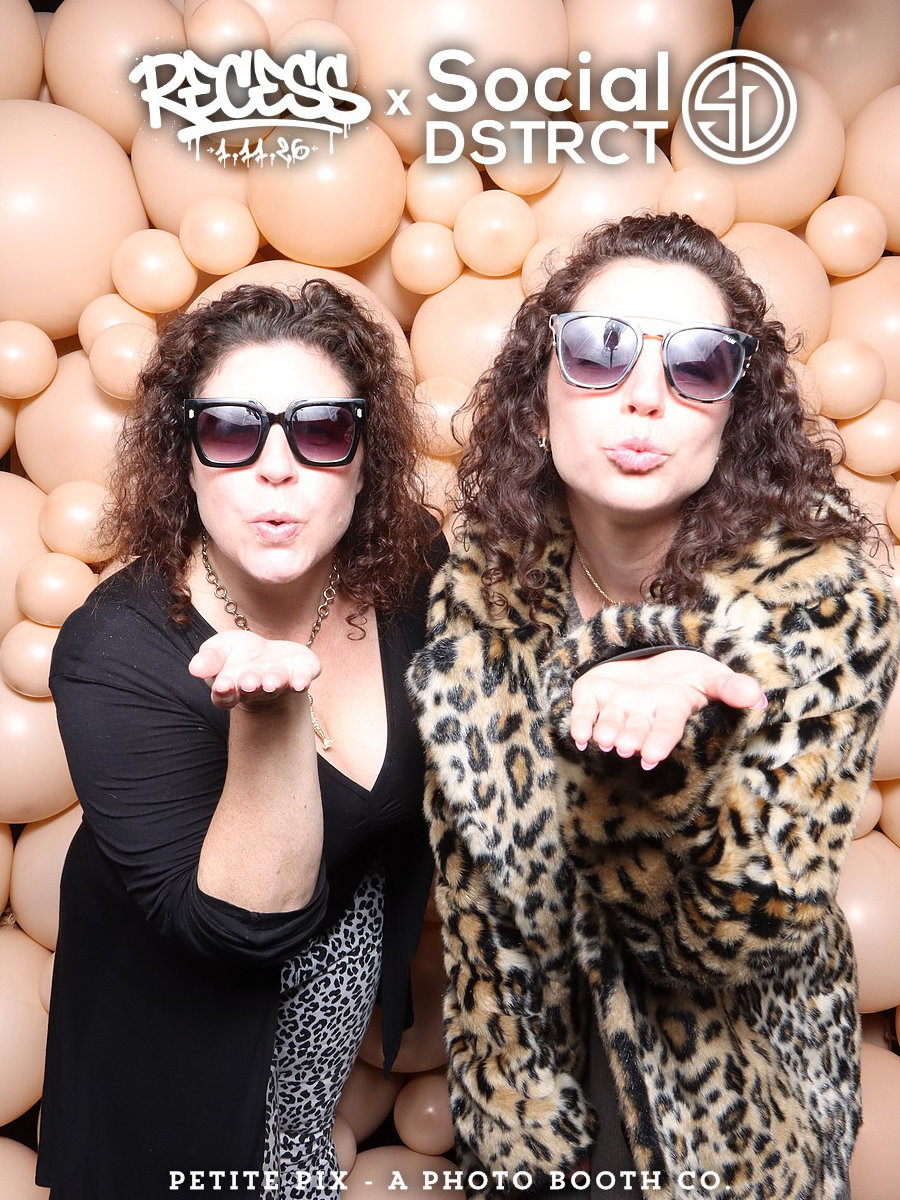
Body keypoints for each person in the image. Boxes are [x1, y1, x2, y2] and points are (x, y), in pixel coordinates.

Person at [406, 213, 900, 1200]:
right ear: (539, 397)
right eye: (600, 352)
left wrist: (661, 757)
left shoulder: (820, 596)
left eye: (697, 364)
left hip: (736, 1122)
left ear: (733, 414)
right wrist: (513, 1133)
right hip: (532, 1099)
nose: (644, 396)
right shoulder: (483, 585)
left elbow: (728, 940)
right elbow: (481, 914)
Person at [37, 281, 444, 1200]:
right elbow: (238, 931)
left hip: (316, 1059)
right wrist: (270, 719)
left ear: (365, 463)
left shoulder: (409, 568)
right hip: (172, 1065)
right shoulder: (114, 650)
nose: (276, 469)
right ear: (184, 460)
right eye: (231, 431)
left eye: (322, 430)